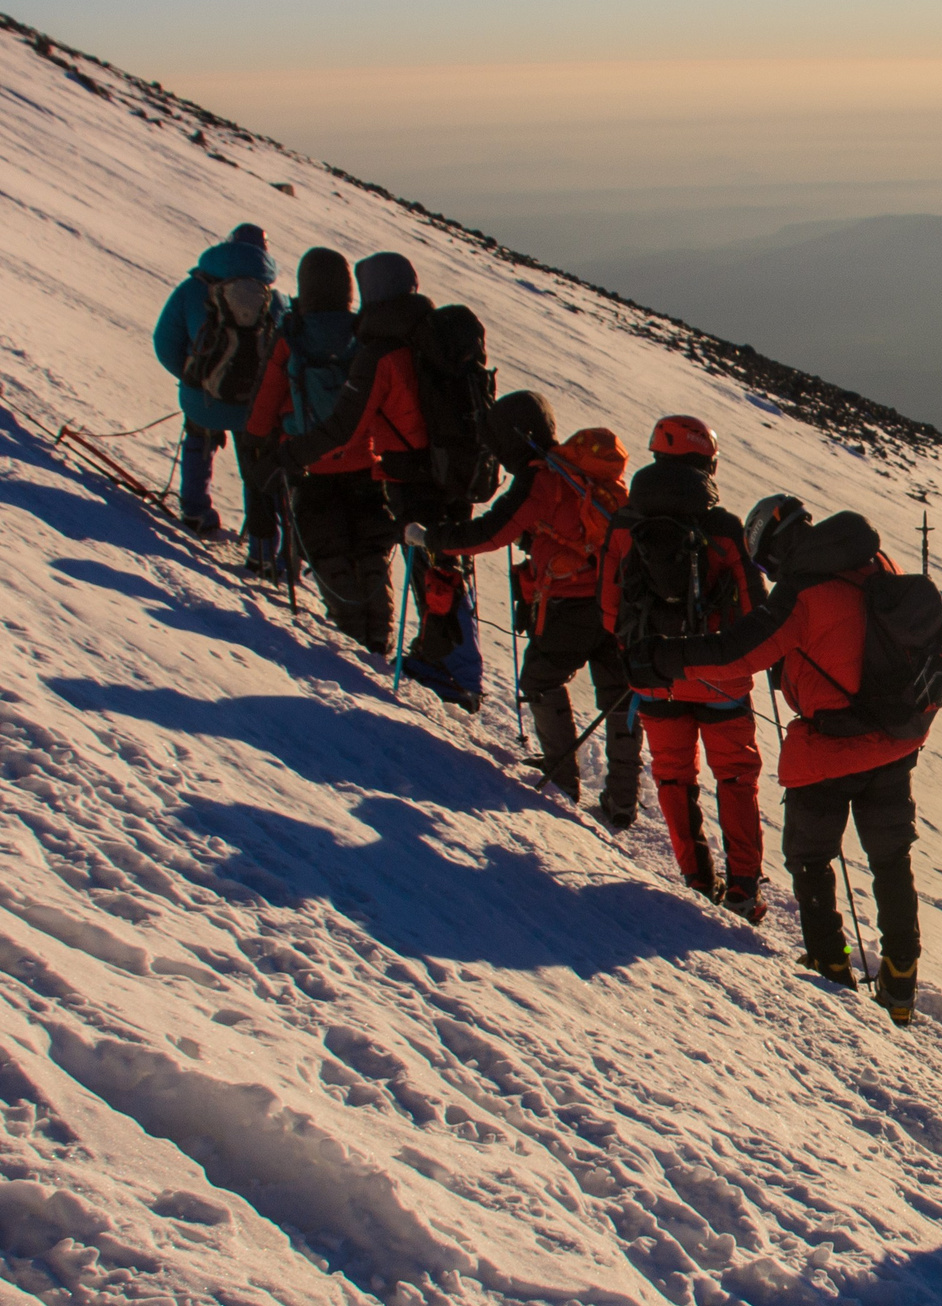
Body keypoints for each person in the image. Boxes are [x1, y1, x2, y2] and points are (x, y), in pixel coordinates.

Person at [647, 496, 925, 1020]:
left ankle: (831, 961)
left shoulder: (801, 592)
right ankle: (901, 979)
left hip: (829, 749)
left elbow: (738, 652)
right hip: (894, 738)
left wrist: (669, 657)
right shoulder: (877, 562)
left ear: (772, 553)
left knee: (810, 856)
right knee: (890, 859)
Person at [413, 405, 639, 825]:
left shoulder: (542, 478)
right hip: (619, 600)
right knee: (616, 697)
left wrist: (434, 540)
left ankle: (561, 779)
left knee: (540, 679)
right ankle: (622, 801)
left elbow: (491, 532)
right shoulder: (581, 474)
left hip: (571, 604)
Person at [294, 252, 484, 710]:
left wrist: (294, 452)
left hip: (411, 474)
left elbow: (347, 424)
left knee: (431, 564)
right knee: (448, 561)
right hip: (457, 468)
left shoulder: (380, 351)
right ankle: (453, 658)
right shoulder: (439, 335)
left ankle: (455, 666)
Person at [601, 416, 767, 915]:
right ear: (706, 463)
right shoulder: (723, 528)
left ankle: (695, 878)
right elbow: (753, 611)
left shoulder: (626, 524)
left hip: (653, 677)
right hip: (720, 680)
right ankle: (742, 888)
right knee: (736, 776)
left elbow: (610, 610)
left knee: (673, 775)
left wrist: (644, 651)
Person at [245, 247, 382, 631]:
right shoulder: (363, 336)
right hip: (364, 460)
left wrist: (260, 443)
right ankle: (377, 625)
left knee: (327, 546)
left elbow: (263, 409)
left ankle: (350, 627)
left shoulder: (293, 336)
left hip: (308, 463)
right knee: (367, 545)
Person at [151, 222, 278, 539]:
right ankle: (263, 549)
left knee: (199, 442)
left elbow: (165, 343)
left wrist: (194, 376)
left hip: (202, 398)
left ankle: (196, 512)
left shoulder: (193, 288)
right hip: (255, 404)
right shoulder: (273, 299)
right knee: (256, 466)